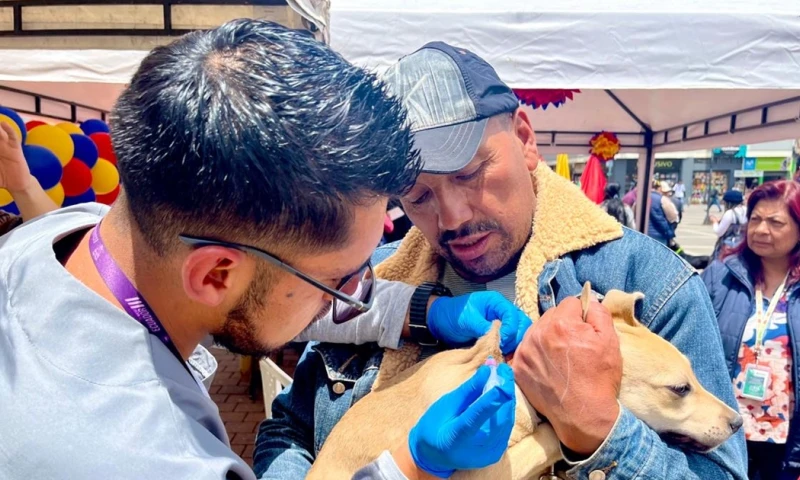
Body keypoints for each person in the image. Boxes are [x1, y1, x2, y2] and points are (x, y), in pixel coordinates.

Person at [0, 21, 525, 480]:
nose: (353, 301)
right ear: (215, 275)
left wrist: (424, 312)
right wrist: (412, 464)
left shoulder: (65, 234)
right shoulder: (164, 461)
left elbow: (285, 299)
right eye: (335, 282)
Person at [255, 41, 747, 479]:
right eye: (418, 196)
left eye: (469, 173)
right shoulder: (371, 279)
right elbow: (288, 431)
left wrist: (596, 429)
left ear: (525, 139)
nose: (452, 217)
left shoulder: (651, 281)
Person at [702, 180, 800, 480]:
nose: (760, 230)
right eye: (755, 219)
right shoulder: (721, 275)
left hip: (785, 441)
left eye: (775, 222)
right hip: (721, 431)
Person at [710, 189, 747, 260]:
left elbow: (719, 232)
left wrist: (714, 222)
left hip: (730, 246)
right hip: (744, 244)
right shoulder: (747, 210)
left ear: (728, 203)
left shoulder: (730, 213)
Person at [647, 180, 678, 245]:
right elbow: (673, 217)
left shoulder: (641, 198)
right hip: (660, 234)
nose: (668, 194)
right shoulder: (662, 199)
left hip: (644, 233)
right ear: (659, 189)